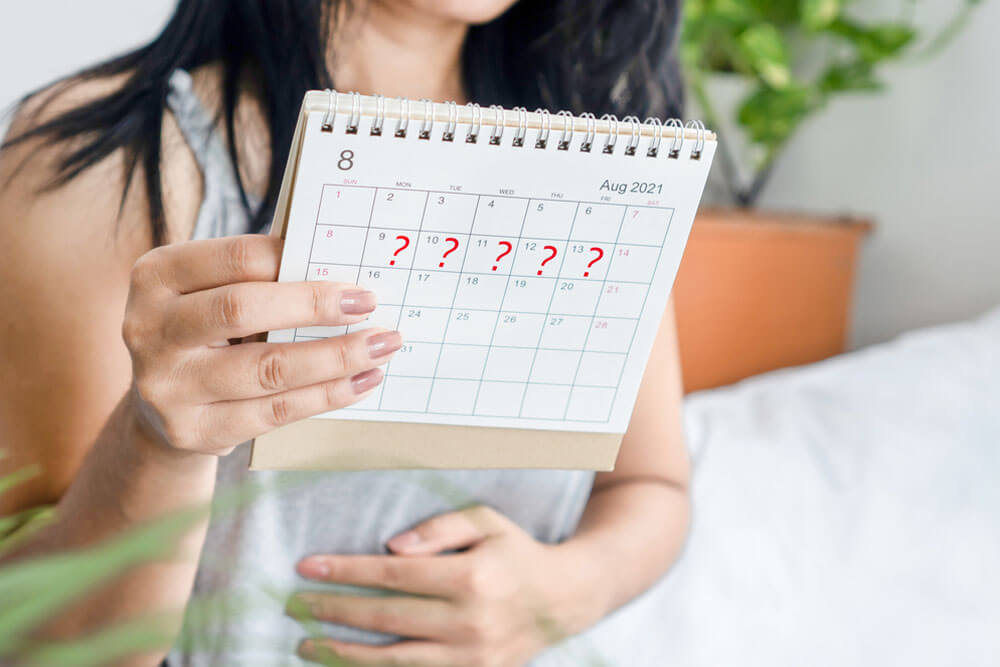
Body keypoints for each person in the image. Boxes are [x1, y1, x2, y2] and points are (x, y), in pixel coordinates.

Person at [0, 1, 690, 665]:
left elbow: (652, 485)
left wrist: (568, 587)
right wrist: (153, 442)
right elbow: (32, 637)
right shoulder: (104, 162)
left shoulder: (599, 161)